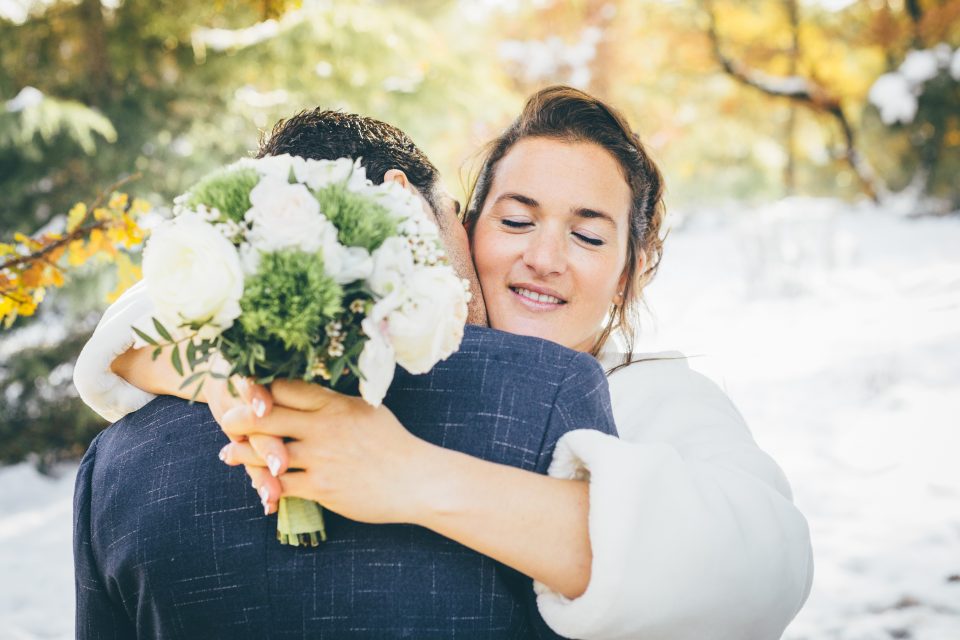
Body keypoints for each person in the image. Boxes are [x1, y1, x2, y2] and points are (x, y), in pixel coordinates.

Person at [75, 87, 814, 639]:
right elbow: (148, 311)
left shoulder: (660, 396)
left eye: (589, 237)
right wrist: (228, 374)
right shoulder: (370, 353)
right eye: (516, 220)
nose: (543, 258)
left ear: (630, 271)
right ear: (460, 227)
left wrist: (410, 476)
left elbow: (767, 567)